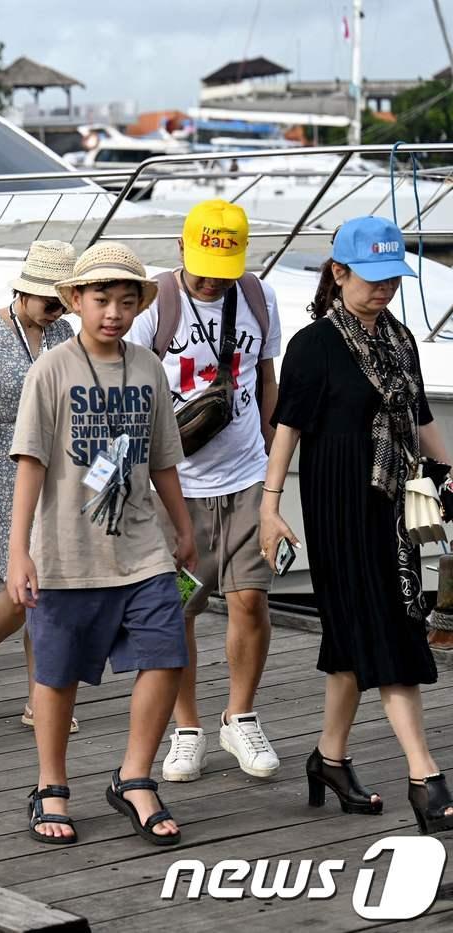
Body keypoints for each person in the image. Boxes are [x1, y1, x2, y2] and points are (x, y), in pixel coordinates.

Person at [260, 217, 453, 836]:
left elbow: (419, 413)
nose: (384, 290)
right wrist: (270, 506)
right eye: (371, 279)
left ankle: (330, 760)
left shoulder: (400, 338)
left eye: (393, 278)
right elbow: (287, 428)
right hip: (338, 500)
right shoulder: (314, 345)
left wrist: (449, 470)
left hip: (393, 501)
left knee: (354, 639)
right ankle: (426, 777)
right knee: (392, 630)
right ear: (338, 273)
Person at [7, 243, 197, 845]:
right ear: (75, 302)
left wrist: (183, 525)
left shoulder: (147, 367)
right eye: (100, 300)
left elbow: (163, 457)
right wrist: (19, 550)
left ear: (140, 305)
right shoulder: (52, 368)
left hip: (141, 546)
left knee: (167, 654)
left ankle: (135, 777)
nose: (112, 312)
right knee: (58, 674)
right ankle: (50, 785)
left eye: (125, 301)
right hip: (66, 549)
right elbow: (31, 463)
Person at [125, 201, 282, 783]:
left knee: (250, 600)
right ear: (183, 249)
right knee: (179, 610)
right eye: (204, 262)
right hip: (175, 486)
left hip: (245, 477)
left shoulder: (259, 298)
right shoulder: (154, 305)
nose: (214, 275)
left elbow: (266, 381)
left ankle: (239, 714)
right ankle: (186, 728)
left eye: (226, 263)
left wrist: (274, 471)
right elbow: (131, 392)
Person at [0, 241, 77, 728]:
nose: (56, 312)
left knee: (42, 587)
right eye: (49, 302)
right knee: (28, 582)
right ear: (24, 292)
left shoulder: (63, 331)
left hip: (52, 466)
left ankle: (37, 698)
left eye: (62, 302)